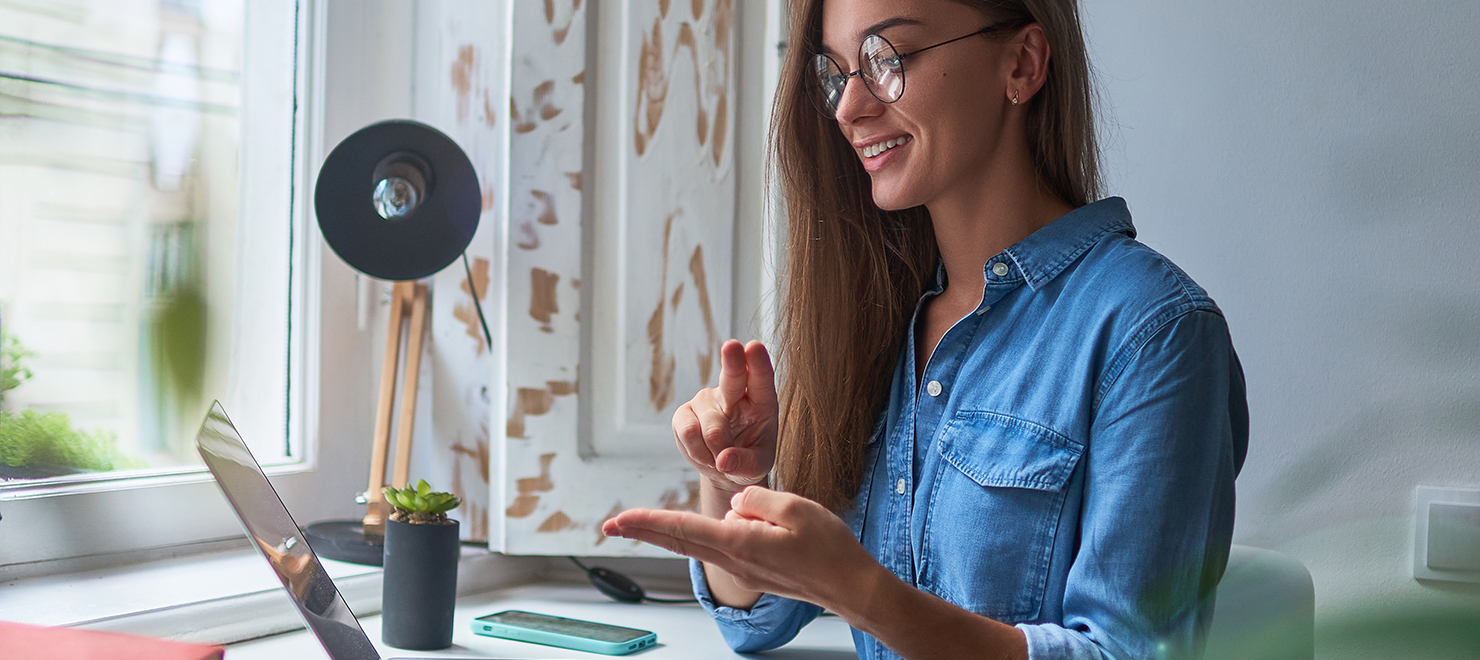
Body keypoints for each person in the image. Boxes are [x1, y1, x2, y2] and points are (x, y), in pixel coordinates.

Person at [602, 0, 1248, 658]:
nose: (849, 109)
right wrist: (734, 483)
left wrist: (864, 593)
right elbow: (753, 620)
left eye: (888, 60)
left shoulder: (1154, 333)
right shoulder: (882, 321)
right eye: (835, 72)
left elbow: (1127, 652)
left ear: (1021, 63)